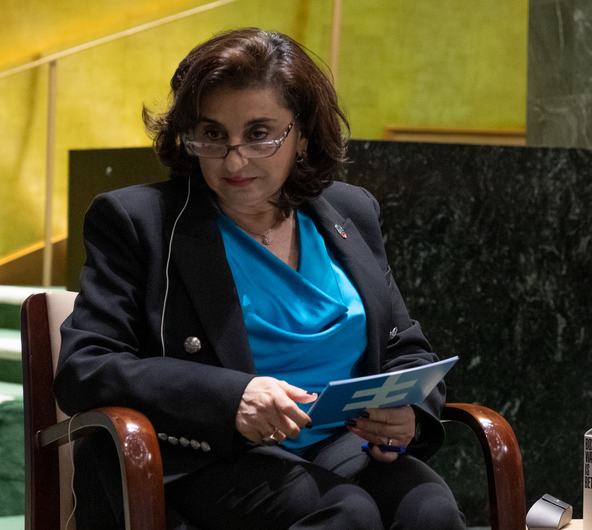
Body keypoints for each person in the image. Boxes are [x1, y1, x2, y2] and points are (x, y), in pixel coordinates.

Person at [55, 28, 465, 530]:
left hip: (341, 446)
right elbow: (86, 367)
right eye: (211, 134)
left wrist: (411, 413)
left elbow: (407, 349)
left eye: (258, 134)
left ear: (304, 133)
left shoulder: (349, 210)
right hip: (204, 457)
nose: (233, 159)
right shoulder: (138, 221)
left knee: (431, 510)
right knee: (345, 514)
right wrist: (231, 399)